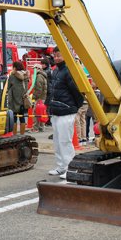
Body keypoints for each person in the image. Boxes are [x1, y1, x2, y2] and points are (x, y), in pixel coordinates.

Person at [47, 47, 84, 178]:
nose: (56, 58)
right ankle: (61, 166)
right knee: (57, 141)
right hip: (56, 110)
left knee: (65, 141)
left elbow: (77, 92)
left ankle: (70, 167)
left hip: (66, 110)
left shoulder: (69, 70)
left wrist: (74, 107)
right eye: (54, 55)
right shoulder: (56, 70)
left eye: (59, 55)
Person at [7, 61, 30, 136]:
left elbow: (8, 86)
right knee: (22, 116)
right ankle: (22, 134)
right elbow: (26, 88)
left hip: (14, 99)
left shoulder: (12, 77)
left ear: (15, 68)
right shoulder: (26, 76)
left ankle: (14, 134)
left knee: (14, 117)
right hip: (23, 99)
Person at [31, 63, 48, 133]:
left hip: (39, 98)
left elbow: (38, 88)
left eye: (34, 69)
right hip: (42, 97)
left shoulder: (39, 77)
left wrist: (37, 97)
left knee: (35, 113)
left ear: (37, 68)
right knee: (41, 112)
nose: (33, 70)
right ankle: (41, 127)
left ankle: (35, 128)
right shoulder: (42, 76)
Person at [41, 57, 53, 127]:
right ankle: (47, 120)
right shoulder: (47, 70)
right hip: (47, 90)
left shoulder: (48, 71)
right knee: (46, 105)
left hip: (48, 90)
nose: (42, 65)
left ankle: (48, 120)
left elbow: (44, 74)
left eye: (43, 64)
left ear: (46, 64)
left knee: (47, 106)